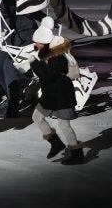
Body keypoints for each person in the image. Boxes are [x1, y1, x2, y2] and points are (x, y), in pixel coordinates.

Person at [29, 23, 85, 165]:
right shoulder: (45, 52)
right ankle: (56, 144)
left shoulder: (57, 57)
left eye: (37, 42)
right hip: (50, 94)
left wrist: (34, 63)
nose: (35, 44)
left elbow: (47, 76)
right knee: (37, 117)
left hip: (62, 94)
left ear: (45, 42)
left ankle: (77, 154)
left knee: (64, 124)